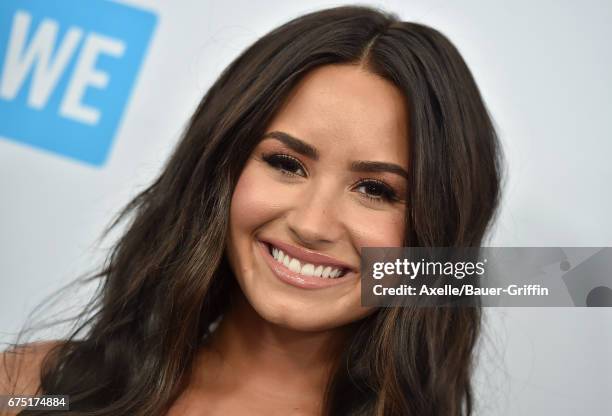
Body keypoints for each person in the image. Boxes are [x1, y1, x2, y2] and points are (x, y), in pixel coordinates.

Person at [1, 5, 502, 416]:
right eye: (286, 163)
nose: (311, 224)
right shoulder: (30, 387)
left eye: (375, 189)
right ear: (220, 169)